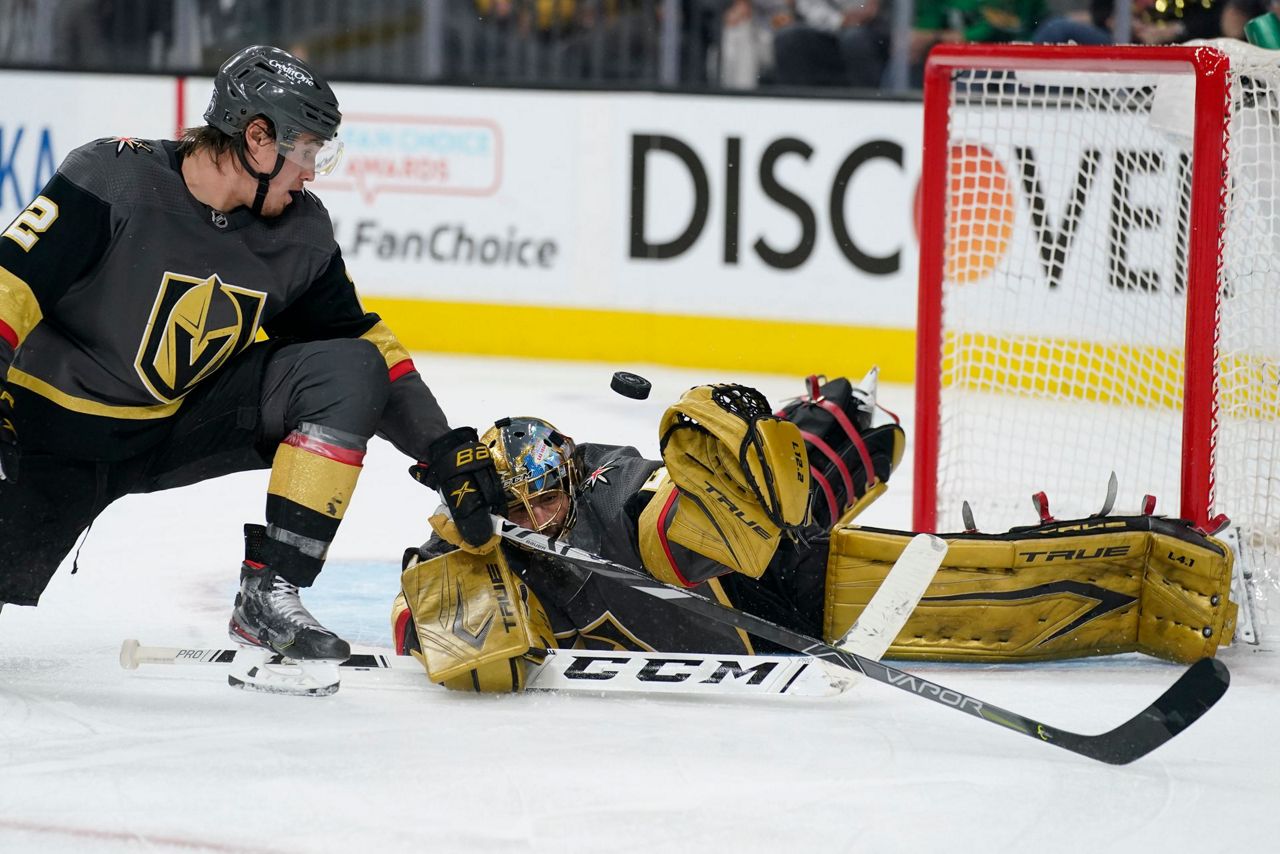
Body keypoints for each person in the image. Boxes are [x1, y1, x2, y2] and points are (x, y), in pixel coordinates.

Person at [0, 45, 503, 687]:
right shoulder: (112, 177)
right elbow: (9, 286)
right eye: (307, 152)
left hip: (170, 427)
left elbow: (361, 342)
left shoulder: (299, 232)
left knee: (348, 367)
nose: (313, 174)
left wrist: (444, 448)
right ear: (257, 139)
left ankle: (269, 593)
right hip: (45, 438)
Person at [392, 375, 1239, 692]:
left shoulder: (612, 483)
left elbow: (674, 501)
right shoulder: (485, 541)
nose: (545, 518)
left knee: (701, 486)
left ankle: (823, 439)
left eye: (550, 497)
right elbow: (428, 630)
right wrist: (467, 563)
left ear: (569, 470)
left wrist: (749, 444)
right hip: (752, 626)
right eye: (527, 510)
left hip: (768, 590)